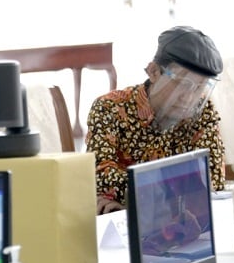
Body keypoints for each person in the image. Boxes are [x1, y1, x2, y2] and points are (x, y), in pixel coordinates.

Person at [85, 25, 226, 215]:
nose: (189, 97)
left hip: (180, 224)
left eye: (199, 87)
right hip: (120, 223)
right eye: (183, 83)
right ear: (153, 71)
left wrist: (139, 200)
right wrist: (175, 192)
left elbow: (211, 179)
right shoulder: (110, 107)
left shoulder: (203, 110)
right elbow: (101, 176)